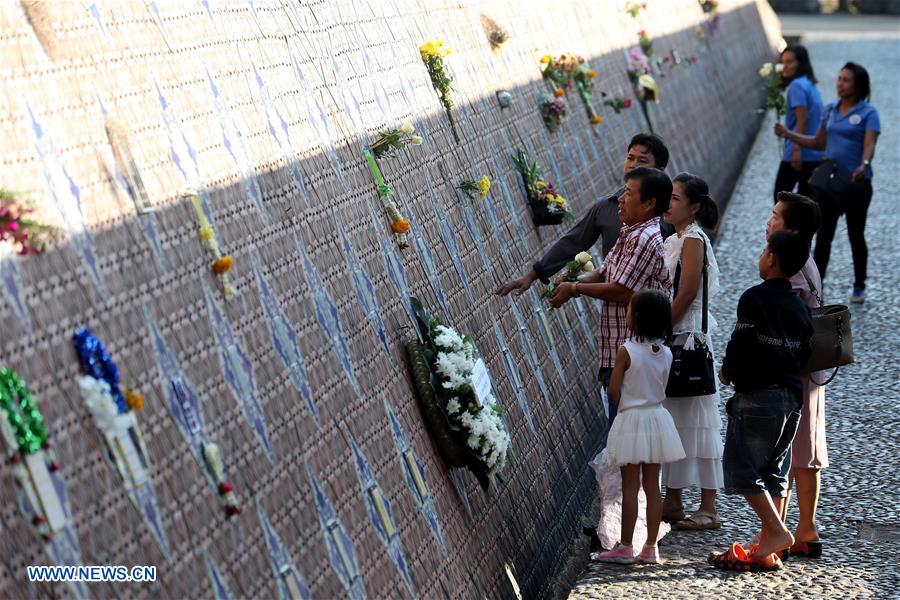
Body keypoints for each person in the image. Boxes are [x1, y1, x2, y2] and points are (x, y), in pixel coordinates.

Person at [709, 232, 814, 572]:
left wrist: (728, 369)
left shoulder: (754, 298)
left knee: (740, 468)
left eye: (763, 250)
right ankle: (768, 544)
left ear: (770, 258)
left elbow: (742, 341)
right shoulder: (799, 307)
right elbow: (807, 353)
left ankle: (778, 531)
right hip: (791, 399)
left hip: (757, 397)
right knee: (772, 471)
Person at [547, 167, 672, 422]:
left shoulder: (645, 238)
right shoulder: (630, 230)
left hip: (633, 358)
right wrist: (572, 279)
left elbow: (621, 289)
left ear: (649, 203)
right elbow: (606, 272)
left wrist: (574, 288)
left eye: (627, 193)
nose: (620, 199)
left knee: (626, 438)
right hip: (616, 349)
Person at [495, 133, 670, 296]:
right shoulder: (607, 207)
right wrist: (531, 276)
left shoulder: (668, 220)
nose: (634, 165)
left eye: (642, 161)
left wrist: (574, 287)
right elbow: (573, 242)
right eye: (630, 158)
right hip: (615, 314)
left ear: (660, 171)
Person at [775, 62, 881, 304]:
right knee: (823, 237)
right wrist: (789, 134)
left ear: (858, 86)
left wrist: (864, 164)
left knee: (856, 234)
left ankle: (859, 285)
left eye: (846, 80)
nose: (840, 83)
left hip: (857, 184)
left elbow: (869, 143)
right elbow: (818, 142)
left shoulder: (869, 113)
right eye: (839, 78)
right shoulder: (830, 110)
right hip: (828, 185)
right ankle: (816, 286)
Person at [594, 290, 686, 565]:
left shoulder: (626, 350)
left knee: (631, 486)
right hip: (657, 419)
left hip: (632, 418)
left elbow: (613, 388)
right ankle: (650, 546)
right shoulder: (667, 353)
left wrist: (625, 408)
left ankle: (624, 546)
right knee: (653, 486)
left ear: (637, 317)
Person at [659, 173, 724, 530]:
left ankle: (709, 505)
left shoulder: (693, 240)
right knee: (676, 419)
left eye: (675, 199)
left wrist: (659, 330)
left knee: (699, 421)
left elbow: (685, 295)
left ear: (694, 207)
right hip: (678, 338)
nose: (667, 203)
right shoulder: (677, 238)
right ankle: (673, 499)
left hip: (687, 340)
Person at [766, 192, 826, 559]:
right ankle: (806, 528)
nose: (768, 222)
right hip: (812, 371)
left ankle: (778, 533)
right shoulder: (809, 261)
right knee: (807, 452)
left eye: (775, 217)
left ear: (793, 229)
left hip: (792, 373)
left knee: (782, 452)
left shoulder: (792, 271)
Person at [773, 45, 824, 202]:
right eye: (783, 62)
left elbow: (803, 119)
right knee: (806, 203)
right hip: (814, 153)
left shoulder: (796, 86)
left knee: (780, 200)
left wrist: (796, 150)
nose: (785, 66)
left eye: (790, 61)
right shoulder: (810, 84)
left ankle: (784, 228)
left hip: (798, 153)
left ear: (800, 63)